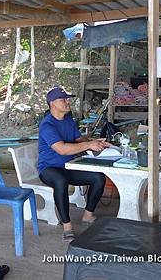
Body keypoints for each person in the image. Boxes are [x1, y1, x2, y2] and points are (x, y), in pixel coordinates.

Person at [38, 87, 112, 242]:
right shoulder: (47, 125)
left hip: (70, 166)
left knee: (98, 178)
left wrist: (95, 142)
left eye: (67, 99)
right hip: (49, 168)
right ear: (52, 103)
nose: (67, 102)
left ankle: (88, 215)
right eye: (63, 99)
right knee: (60, 181)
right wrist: (88, 145)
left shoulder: (69, 121)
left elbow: (78, 141)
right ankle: (67, 227)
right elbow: (62, 149)